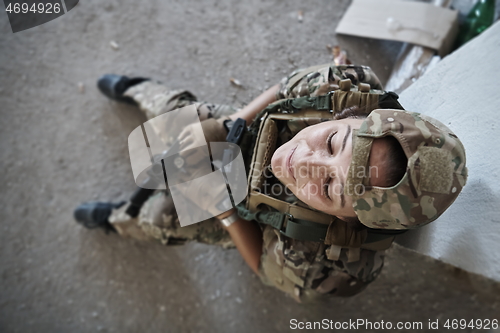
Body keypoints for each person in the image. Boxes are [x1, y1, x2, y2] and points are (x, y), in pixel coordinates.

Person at [74, 63, 467, 303]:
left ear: (347, 221)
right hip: (252, 134)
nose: (307, 163)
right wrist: (233, 126)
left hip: (253, 217)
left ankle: (120, 218)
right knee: (188, 124)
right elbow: (283, 90)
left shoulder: (325, 260)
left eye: (331, 187)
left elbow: (262, 266)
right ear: (352, 114)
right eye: (333, 142)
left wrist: (224, 212)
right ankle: (138, 87)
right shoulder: (347, 86)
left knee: (162, 215)